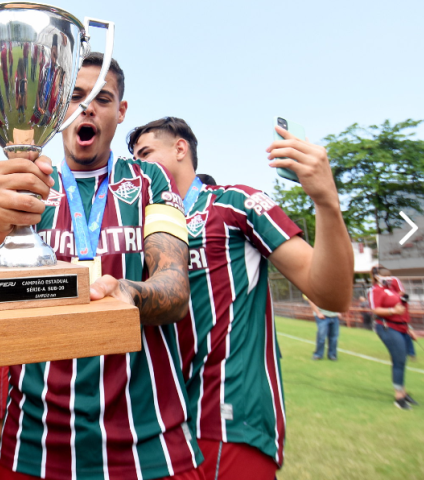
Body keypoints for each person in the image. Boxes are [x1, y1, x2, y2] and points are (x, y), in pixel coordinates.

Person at [0, 53, 200, 480]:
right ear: (56, 108)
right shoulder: (30, 184)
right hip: (34, 441)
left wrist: (126, 294)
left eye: (101, 98)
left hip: (146, 439)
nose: (87, 107)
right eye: (75, 97)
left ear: (120, 111)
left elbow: (175, 288)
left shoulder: (150, 180)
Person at [127, 116, 354, 479]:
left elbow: (333, 294)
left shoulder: (235, 204)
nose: (137, 167)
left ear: (181, 148)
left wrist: (326, 201)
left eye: (145, 153)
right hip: (156, 428)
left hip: (229, 422)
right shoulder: (137, 227)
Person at [369, 266, 420, 410]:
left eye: (389, 276)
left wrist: (409, 328)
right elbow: (375, 309)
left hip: (402, 327)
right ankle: (399, 397)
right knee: (399, 359)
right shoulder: (375, 290)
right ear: (377, 277)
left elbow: (402, 311)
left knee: (401, 360)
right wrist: (392, 311)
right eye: (384, 276)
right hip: (387, 326)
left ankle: (403, 392)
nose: (388, 278)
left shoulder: (393, 289)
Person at [305, 294, 341, 360]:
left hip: (334, 316)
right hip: (322, 316)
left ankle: (332, 355)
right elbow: (310, 299)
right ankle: (318, 354)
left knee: (334, 337)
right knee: (321, 336)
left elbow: (337, 300)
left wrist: (338, 311)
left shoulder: (334, 289)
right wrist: (318, 313)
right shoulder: (319, 288)